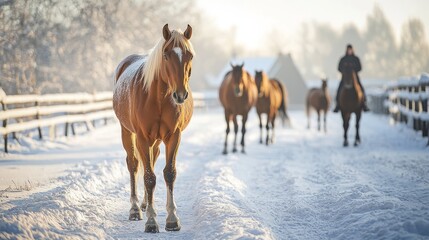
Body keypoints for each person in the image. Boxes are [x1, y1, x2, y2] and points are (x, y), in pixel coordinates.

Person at [333, 44, 370, 112]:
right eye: (348, 50)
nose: (349, 51)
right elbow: (339, 68)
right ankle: (338, 104)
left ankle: (364, 103)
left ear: (352, 50)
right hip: (345, 78)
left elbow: (360, 68)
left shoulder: (356, 59)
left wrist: (353, 70)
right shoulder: (343, 59)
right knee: (339, 89)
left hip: (354, 78)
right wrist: (344, 70)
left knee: (361, 88)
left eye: (350, 50)